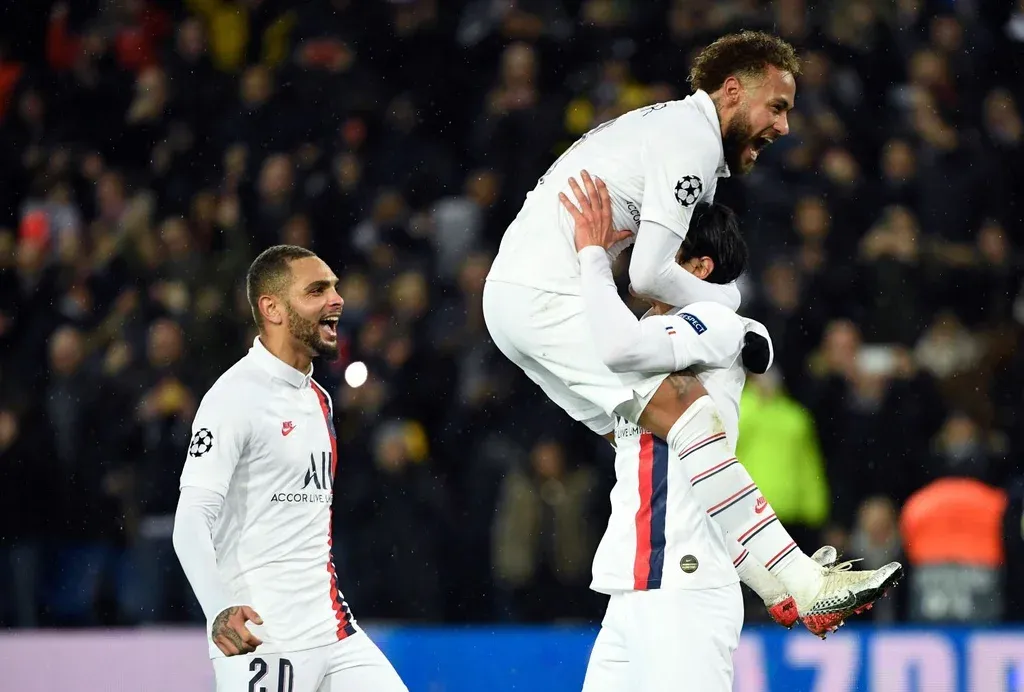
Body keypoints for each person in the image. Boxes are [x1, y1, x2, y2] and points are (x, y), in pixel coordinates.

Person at [483, 32, 896, 641]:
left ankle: (773, 584)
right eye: (777, 106)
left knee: (650, 434)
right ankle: (799, 581)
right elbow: (650, 273)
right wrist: (731, 307)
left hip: (520, 298)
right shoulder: (692, 142)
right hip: (546, 291)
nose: (784, 126)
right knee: (687, 408)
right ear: (731, 91)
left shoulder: (670, 131)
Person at [563, 175, 902, 655]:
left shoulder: (713, 321)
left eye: (664, 250)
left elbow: (619, 348)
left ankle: (802, 578)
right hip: (636, 583)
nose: (644, 260)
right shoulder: (651, 329)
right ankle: (793, 579)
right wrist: (763, 577)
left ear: (699, 268)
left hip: (684, 586)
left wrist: (592, 256)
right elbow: (692, 479)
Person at [172, 245, 407, 692]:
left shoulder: (320, 398)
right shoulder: (232, 398)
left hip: (335, 632)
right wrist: (218, 608)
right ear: (272, 308)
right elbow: (189, 522)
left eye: (335, 287)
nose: (336, 299)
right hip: (263, 641)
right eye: (317, 290)